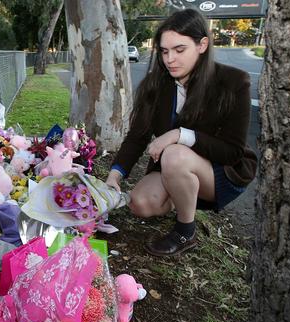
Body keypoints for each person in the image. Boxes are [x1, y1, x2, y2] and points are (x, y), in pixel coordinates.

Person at [106, 9, 257, 256]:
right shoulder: (157, 83)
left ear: (202, 45)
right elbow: (138, 135)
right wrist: (115, 175)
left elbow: (232, 151)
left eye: (179, 50)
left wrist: (179, 134)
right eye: (165, 51)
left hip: (222, 172)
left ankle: (186, 231)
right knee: (140, 204)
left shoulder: (234, 82)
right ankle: (181, 190)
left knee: (174, 154)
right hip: (178, 166)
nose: (170, 59)